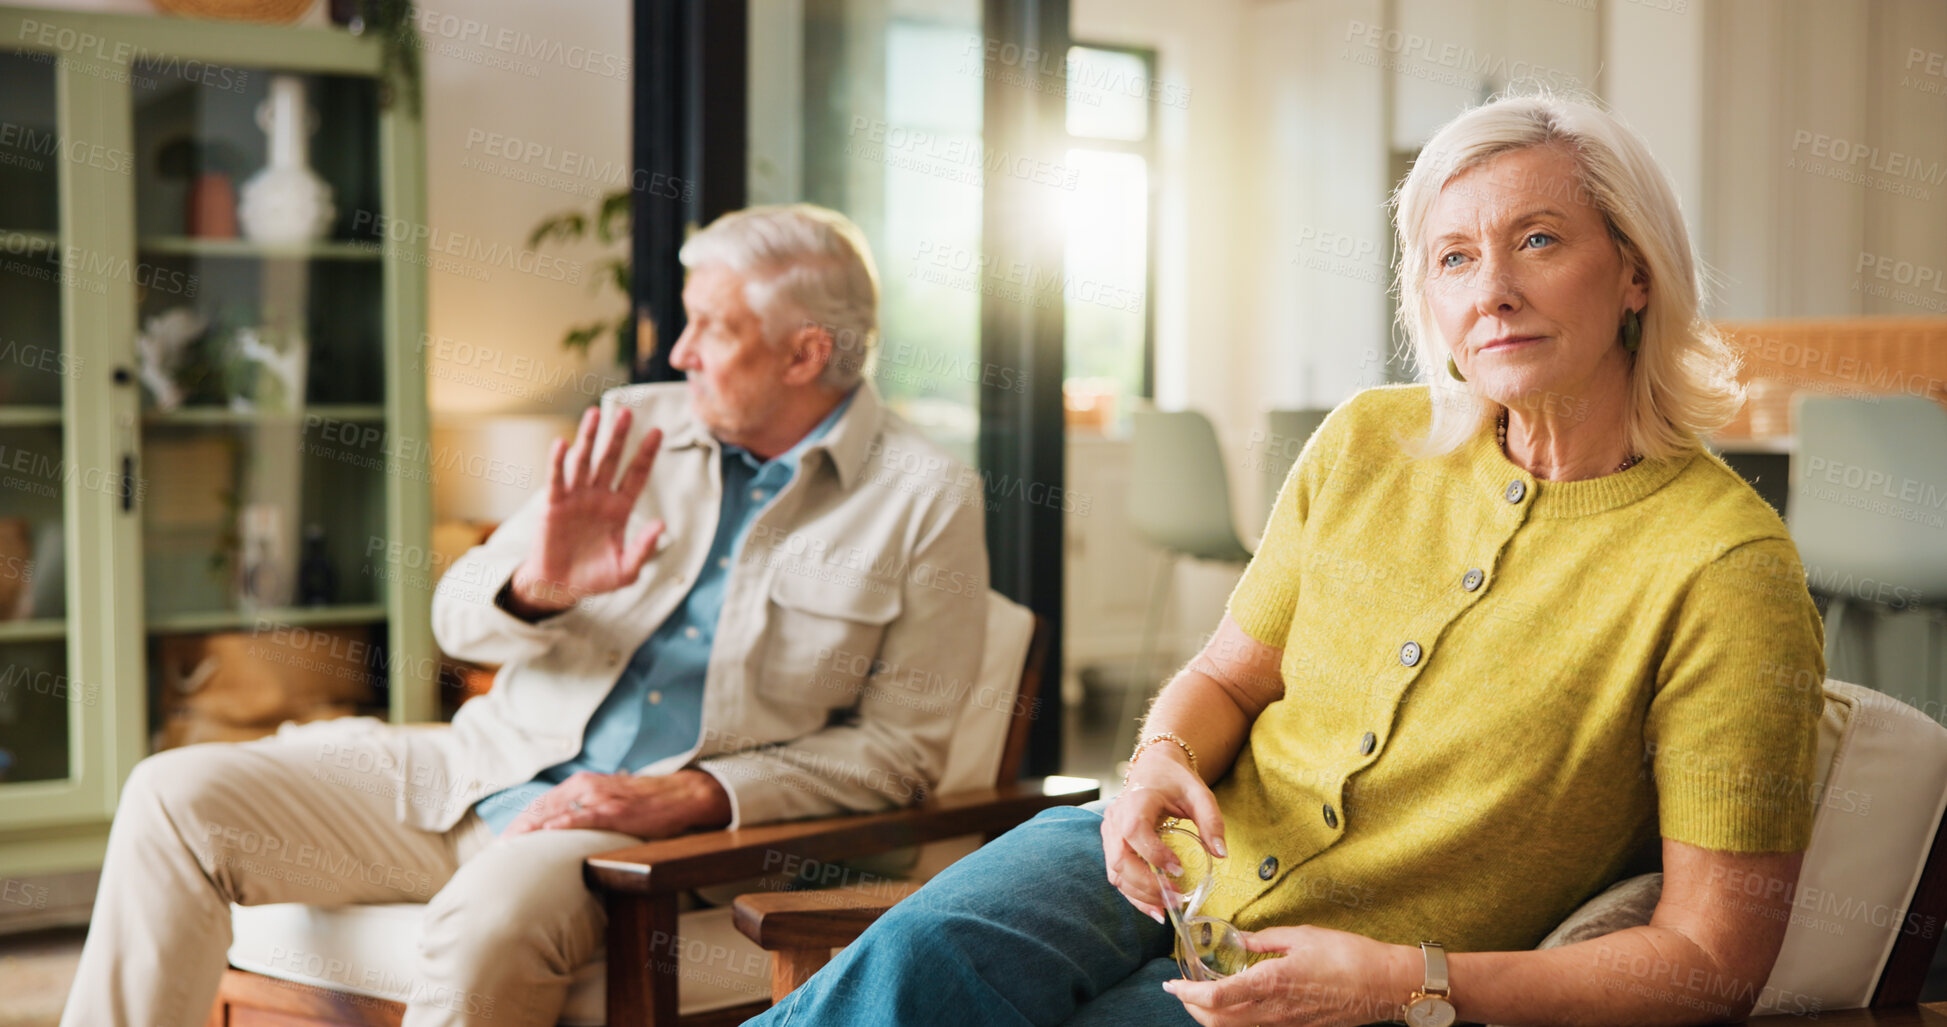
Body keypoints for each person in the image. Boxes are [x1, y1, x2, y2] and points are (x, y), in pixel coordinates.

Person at [752, 93, 1827, 1027]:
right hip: (1139, 862)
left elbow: (1710, 961)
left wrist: (1412, 981)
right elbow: (1229, 674)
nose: (1491, 288)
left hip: (1343, 971)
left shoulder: (1724, 565)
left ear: (1635, 271)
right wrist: (1159, 761)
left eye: (1539, 241)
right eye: (1454, 257)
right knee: (911, 967)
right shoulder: (1368, 438)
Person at [60, 203, 989, 1027]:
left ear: (804, 352)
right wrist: (541, 583)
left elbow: (900, 753)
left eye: (711, 325)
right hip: (476, 768)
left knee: (488, 920)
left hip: (643, 830)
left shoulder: (925, 496)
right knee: (174, 796)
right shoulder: (638, 425)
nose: (679, 350)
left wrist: (693, 794)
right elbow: (455, 618)